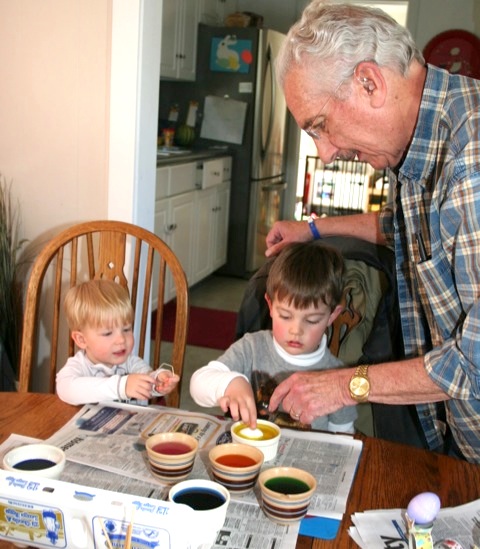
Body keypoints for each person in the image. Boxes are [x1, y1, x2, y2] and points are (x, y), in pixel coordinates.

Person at [264, 1, 480, 462]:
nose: (323, 154)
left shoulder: (472, 160)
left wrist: (345, 385)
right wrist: (312, 230)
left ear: (369, 82)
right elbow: (405, 227)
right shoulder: (425, 140)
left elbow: (476, 361)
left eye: (320, 126)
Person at [190, 241, 357, 433]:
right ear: (270, 306)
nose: (296, 330)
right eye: (285, 316)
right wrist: (230, 383)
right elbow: (198, 384)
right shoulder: (251, 347)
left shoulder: (337, 376)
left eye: (311, 320)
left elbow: (344, 436)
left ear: (332, 316)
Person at [56, 279, 179, 405]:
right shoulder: (79, 366)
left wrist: (158, 382)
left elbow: (146, 383)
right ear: (81, 340)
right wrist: (121, 386)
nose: (121, 339)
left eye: (126, 329)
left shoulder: (131, 363)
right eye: (108, 333)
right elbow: (65, 389)